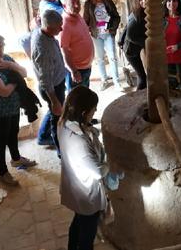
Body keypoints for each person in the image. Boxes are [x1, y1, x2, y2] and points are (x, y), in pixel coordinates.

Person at [58, 86, 121, 250]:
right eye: (93, 110)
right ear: (84, 112)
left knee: (78, 221)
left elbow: (85, 133)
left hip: (75, 184)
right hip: (86, 192)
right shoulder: (78, 140)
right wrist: (112, 164)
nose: (95, 112)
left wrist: (91, 129)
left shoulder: (63, 122)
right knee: (88, 232)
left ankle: (72, 247)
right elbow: (97, 171)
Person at [0, 34, 36, 186]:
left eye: (1, 47)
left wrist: (12, 66)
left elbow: (24, 73)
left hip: (13, 107)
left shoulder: (6, 59)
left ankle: (16, 159)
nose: (0, 51)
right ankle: (3, 173)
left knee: (13, 134)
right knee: (1, 142)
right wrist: (17, 81)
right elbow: (4, 91)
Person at [31, 10, 66, 153]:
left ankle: (43, 136)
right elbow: (45, 79)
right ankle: (61, 151)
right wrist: (54, 100)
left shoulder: (43, 33)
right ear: (49, 27)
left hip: (56, 83)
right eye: (59, 26)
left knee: (53, 112)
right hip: (52, 88)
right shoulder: (43, 48)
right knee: (56, 119)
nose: (62, 29)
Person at [83, 0, 122, 91]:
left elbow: (116, 17)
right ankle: (104, 80)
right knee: (100, 58)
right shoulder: (88, 4)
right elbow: (86, 20)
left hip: (108, 33)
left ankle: (116, 81)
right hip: (96, 35)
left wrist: (112, 28)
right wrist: (89, 30)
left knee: (112, 57)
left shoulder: (108, 2)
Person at [60, 0, 94, 91]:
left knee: (85, 95)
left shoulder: (77, 15)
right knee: (75, 101)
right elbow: (64, 50)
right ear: (65, 6)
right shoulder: (64, 23)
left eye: (78, 2)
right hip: (77, 70)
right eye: (72, 3)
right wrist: (74, 71)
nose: (76, 6)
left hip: (86, 67)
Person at [119, 0, 147, 90]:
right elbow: (130, 36)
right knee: (142, 77)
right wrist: (146, 43)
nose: (144, 1)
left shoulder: (143, 12)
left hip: (136, 49)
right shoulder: (135, 18)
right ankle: (138, 99)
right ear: (137, 1)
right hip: (130, 51)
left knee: (144, 76)